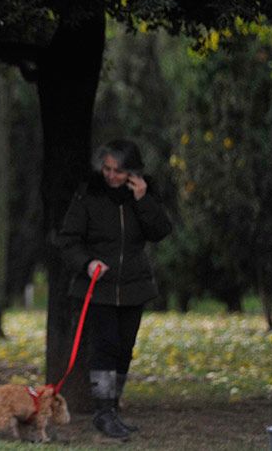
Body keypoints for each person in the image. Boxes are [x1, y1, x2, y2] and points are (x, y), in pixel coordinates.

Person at [54, 139, 172, 440]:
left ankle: (114, 408)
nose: (111, 176)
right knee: (104, 347)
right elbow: (68, 240)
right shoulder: (88, 195)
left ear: (133, 172)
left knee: (124, 350)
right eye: (106, 169)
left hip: (134, 287)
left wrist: (143, 199)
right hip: (98, 287)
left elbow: (160, 232)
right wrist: (87, 263)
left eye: (118, 171)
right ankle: (103, 411)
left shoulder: (144, 194)